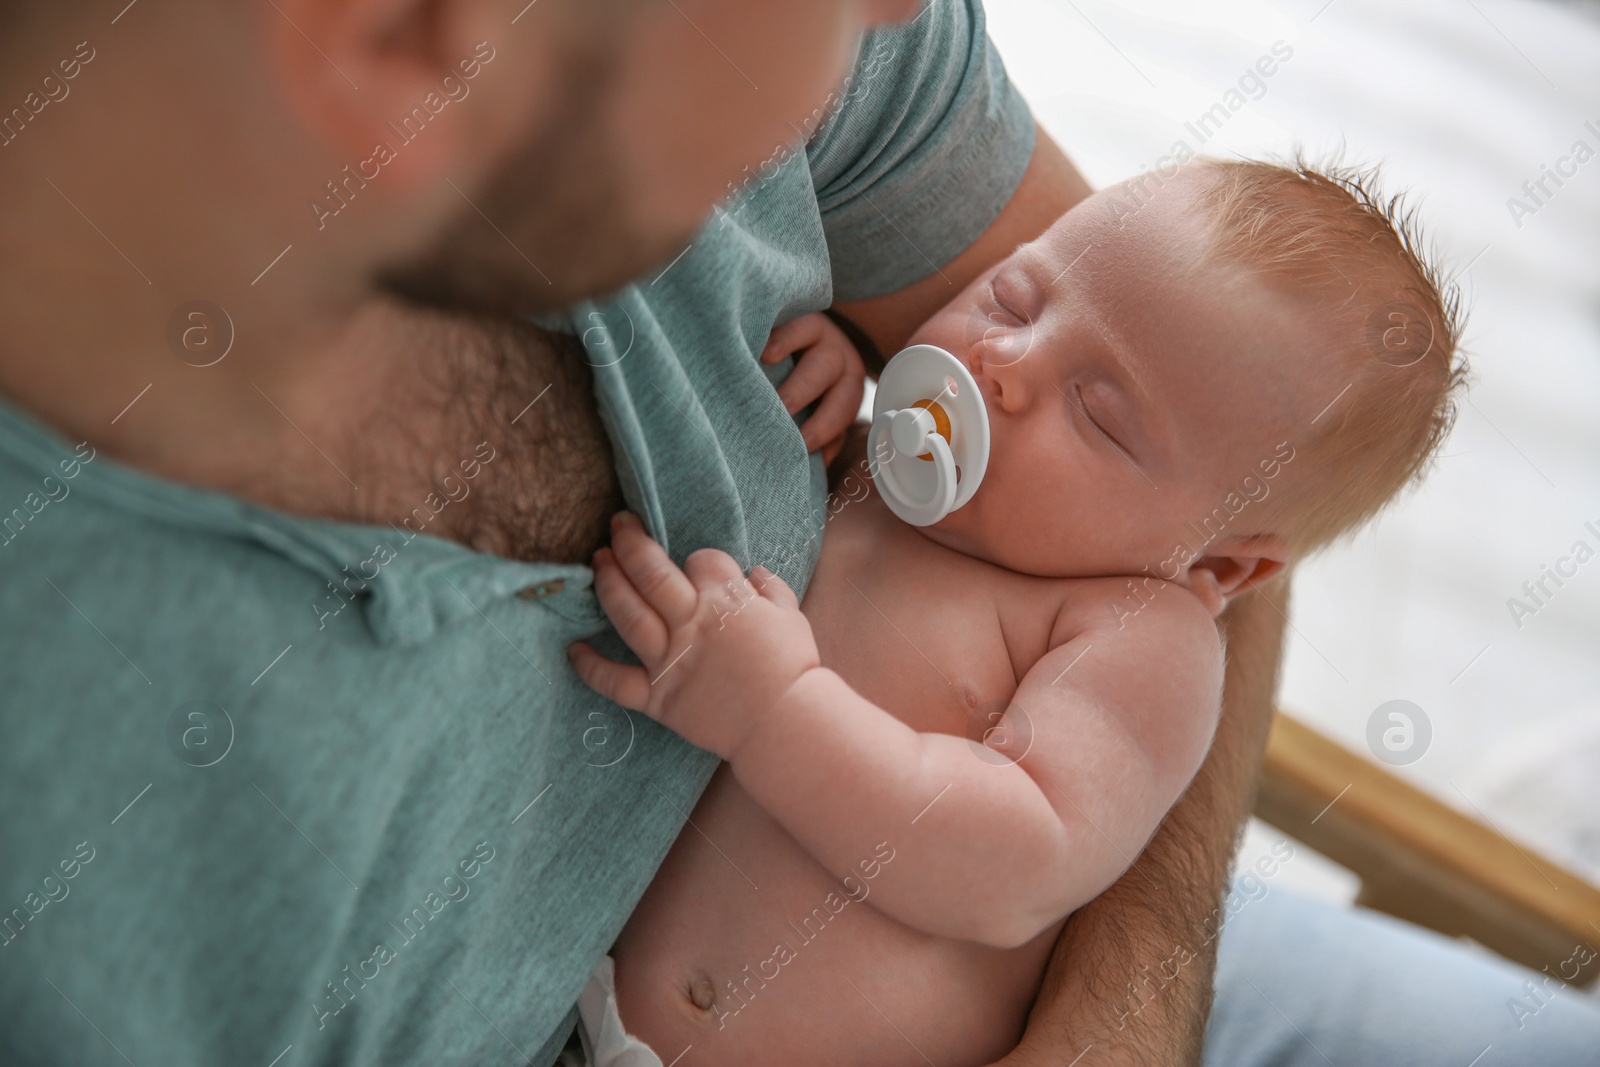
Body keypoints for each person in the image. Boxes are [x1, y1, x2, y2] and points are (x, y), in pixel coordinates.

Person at [0, 2, 1594, 1066]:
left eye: (1100, 416)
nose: (988, 365)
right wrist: (854, 390)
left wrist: (1117, 1021)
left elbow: (1029, 841)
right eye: (1009, 310)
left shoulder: (1136, 619)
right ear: (407, 43)